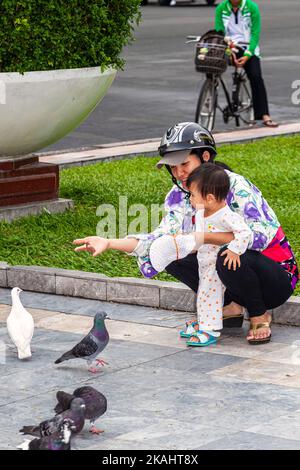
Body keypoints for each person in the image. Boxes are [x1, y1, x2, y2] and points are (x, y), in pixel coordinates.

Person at [73, 122, 298, 345]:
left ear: (205, 157)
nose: (178, 173)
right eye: (172, 167)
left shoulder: (236, 186)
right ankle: (228, 307)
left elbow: (260, 236)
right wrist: (109, 242)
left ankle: (259, 314)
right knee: (168, 250)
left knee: (228, 253)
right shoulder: (178, 195)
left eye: (184, 164)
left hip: (275, 277)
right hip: (229, 275)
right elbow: (159, 238)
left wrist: (207, 238)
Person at [149, 163, 252, 347]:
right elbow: (200, 240)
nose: (190, 199)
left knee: (207, 296)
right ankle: (205, 323)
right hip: (204, 264)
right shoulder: (204, 213)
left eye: (193, 195)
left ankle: (209, 330)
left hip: (215, 266)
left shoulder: (225, 215)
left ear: (210, 198)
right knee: (203, 295)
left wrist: (235, 250)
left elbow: (245, 232)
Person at [215, 0, 278, 127]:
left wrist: (248, 54)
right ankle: (209, 96)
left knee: (255, 76)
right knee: (213, 66)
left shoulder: (252, 7)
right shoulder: (221, 8)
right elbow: (219, 32)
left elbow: (255, 33)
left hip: (249, 47)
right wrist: (228, 50)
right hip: (230, 47)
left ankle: (264, 114)